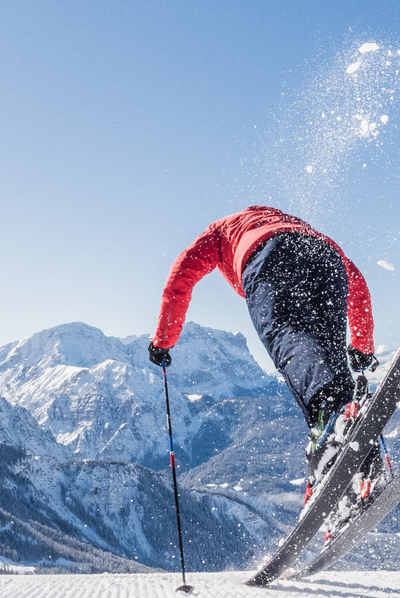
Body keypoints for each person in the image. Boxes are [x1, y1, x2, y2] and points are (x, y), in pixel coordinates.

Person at [149, 206, 378, 484]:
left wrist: (163, 341)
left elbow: (181, 276)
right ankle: (360, 461)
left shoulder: (220, 231)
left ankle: (332, 421)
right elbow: (356, 283)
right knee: (329, 357)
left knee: (290, 337)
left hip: (270, 256)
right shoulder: (293, 223)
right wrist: (363, 347)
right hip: (329, 258)